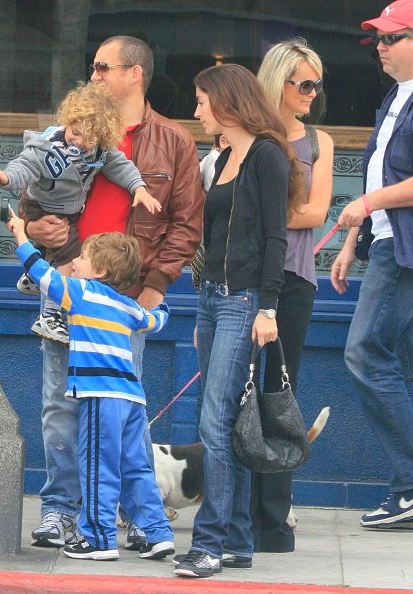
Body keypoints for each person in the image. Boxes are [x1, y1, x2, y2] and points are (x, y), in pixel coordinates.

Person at [21, 35, 203, 549]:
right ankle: (61, 508)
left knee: (122, 412)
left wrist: (155, 287)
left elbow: (186, 225)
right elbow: (32, 198)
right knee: (60, 404)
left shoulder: (173, 142)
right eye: (93, 68)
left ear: (134, 74)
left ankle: (127, 514)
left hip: (126, 298)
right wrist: (36, 230)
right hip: (65, 284)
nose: (94, 76)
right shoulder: (65, 133)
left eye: (103, 67)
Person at [173, 63, 305, 579]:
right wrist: (201, 302)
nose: (197, 110)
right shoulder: (223, 156)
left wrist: (268, 307)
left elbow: (277, 237)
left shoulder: (267, 156)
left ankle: (208, 543)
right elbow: (212, 237)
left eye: (203, 101)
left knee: (216, 421)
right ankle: (237, 542)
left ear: (227, 102)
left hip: (246, 299)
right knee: (227, 423)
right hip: (211, 299)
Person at [6, 211, 175, 560]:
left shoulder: (80, 292)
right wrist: (165, 307)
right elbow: (156, 319)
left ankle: (98, 538)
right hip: (132, 398)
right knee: (136, 465)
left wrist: (21, 236)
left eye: (82, 257)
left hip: (101, 395)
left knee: (98, 463)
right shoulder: (126, 305)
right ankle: (159, 533)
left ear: (99, 271)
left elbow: (41, 274)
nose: (76, 262)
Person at [330, 0, 413, 529]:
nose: (380, 48)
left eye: (392, 38)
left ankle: (410, 484)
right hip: (388, 242)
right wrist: (353, 235)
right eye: (378, 40)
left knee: (364, 351)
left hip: (403, 251)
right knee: (397, 363)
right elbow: (379, 178)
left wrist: (364, 207)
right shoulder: (394, 98)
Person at [250, 38, 334, 553]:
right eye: (302, 82)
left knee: (279, 397)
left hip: (294, 280)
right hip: (242, 280)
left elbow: (316, 213)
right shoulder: (251, 136)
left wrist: (258, 219)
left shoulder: (318, 142)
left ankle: (273, 519)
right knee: (230, 396)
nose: (311, 92)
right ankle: (234, 508)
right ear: (276, 81)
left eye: (315, 84)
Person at [0, 82, 160, 345]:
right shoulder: (49, 145)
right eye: (75, 132)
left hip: (68, 209)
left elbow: (121, 166)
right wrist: (7, 177)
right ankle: (49, 317)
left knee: (58, 249)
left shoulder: (100, 151)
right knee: (69, 257)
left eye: (89, 139)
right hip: (41, 204)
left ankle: (32, 276)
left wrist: (138, 188)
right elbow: (26, 166)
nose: (79, 142)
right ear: (68, 120)